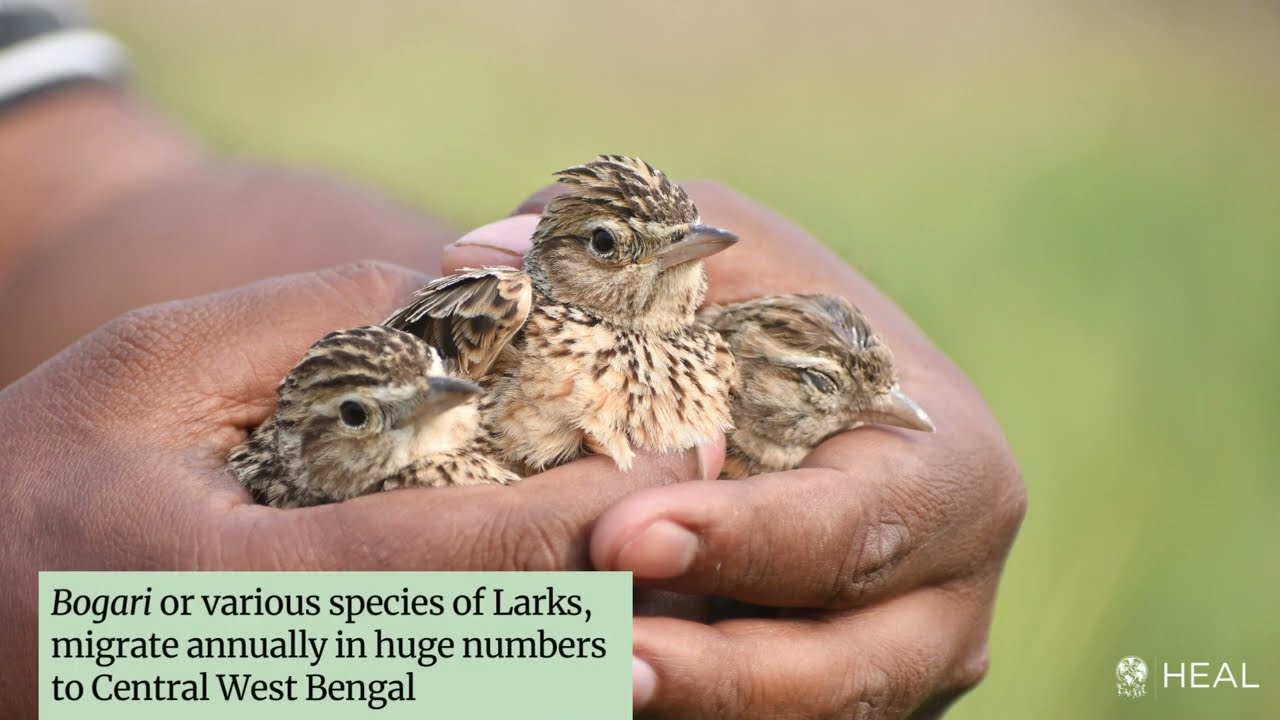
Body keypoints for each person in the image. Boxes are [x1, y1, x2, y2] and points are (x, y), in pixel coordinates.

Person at [0, 10, 1025, 719]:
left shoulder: (706, 362)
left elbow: (55, 187)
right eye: (610, 248)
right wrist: (130, 649)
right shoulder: (508, 315)